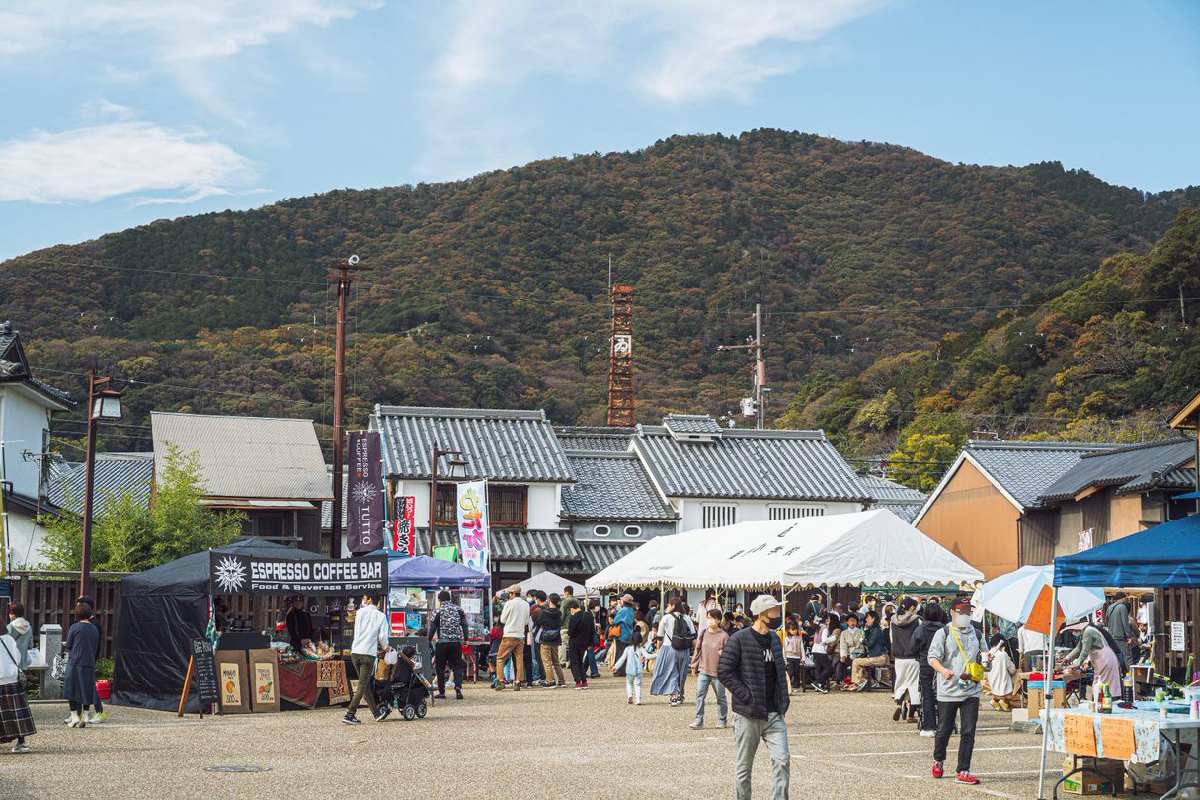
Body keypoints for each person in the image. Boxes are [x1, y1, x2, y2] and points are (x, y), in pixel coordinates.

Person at [718, 595, 790, 800]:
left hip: (775, 711)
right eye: (775, 611)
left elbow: (779, 671)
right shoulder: (739, 639)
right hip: (748, 713)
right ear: (762, 614)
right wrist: (745, 695)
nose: (778, 614)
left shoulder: (775, 638)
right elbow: (724, 671)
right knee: (744, 768)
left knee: (782, 760)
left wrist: (783, 699)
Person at [927, 598, 983, 785]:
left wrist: (988, 662)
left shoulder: (977, 633)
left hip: (971, 689)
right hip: (948, 690)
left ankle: (964, 769)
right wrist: (943, 670)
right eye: (962, 611)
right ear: (952, 612)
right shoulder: (943, 633)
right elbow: (932, 657)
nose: (965, 615)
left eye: (968, 611)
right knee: (944, 729)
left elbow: (984, 659)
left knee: (969, 730)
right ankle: (938, 760)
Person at [344, 593, 390, 725]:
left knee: (365, 685)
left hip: (355, 652)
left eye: (364, 598)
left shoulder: (359, 612)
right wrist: (386, 648)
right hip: (368, 654)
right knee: (362, 685)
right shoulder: (381, 616)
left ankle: (376, 713)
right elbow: (382, 637)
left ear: (369, 600)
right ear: (378, 603)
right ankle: (350, 714)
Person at [651, 595, 695, 706]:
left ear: (673, 606)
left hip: (669, 647)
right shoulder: (687, 618)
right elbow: (693, 634)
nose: (667, 606)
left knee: (672, 672)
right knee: (682, 673)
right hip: (684, 649)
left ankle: (674, 695)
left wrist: (658, 650)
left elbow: (660, 636)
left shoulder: (666, 618)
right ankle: (680, 694)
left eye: (669, 604)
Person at [690, 608, 729, 729]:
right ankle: (699, 720)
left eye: (712, 618)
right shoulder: (703, 633)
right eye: (708, 618)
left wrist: (724, 654)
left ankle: (722, 719)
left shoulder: (724, 636)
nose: (709, 620)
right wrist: (693, 666)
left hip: (719, 673)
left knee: (721, 697)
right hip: (704, 670)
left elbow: (730, 654)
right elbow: (697, 650)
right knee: (700, 695)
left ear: (718, 620)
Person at [64, 601, 100, 728]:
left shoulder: (75, 627)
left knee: (71, 689)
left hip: (75, 662)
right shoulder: (94, 628)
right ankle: (85, 715)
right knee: (87, 689)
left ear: (77, 615)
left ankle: (74, 716)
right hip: (89, 662)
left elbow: (69, 645)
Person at [1063, 615, 1123, 691]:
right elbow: (1078, 648)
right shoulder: (1084, 632)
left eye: (1072, 630)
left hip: (1104, 659)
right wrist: (1067, 658)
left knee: (1106, 687)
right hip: (1101, 660)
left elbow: (1085, 651)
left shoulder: (1088, 631)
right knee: (1099, 686)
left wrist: (1077, 664)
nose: (1072, 632)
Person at [913, 601, 946, 737]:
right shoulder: (945, 629)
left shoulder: (920, 629)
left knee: (927, 696)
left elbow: (913, 647)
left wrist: (919, 656)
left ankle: (929, 727)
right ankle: (945, 724)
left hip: (926, 664)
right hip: (942, 665)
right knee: (943, 695)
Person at [0, 624, 34, 753]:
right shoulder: (8, 639)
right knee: (15, 712)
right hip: (12, 679)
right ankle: (22, 742)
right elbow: (17, 657)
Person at [429, 590, 468, 700]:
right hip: (456, 643)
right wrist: (466, 639)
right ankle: (458, 688)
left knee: (440, 667)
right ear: (450, 598)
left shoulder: (438, 611)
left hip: (442, 643)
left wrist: (428, 639)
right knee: (457, 666)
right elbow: (465, 625)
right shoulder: (459, 610)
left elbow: (433, 627)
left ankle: (442, 692)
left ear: (439, 599)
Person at [75, 595, 108, 723]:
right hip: (81, 659)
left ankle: (100, 712)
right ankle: (76, 714)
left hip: (88, 660)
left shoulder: (94, 625)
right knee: (78, 686)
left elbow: (95, 645)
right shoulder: (83, 623)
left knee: (89, 687)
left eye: (79, 605)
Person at [890, 597, 922, 721]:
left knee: (901, 682)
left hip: (899, 657)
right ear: (913, 608)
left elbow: (892, 639)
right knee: (914, 685)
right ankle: (910, 715)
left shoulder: (893, 620)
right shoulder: (917, 620)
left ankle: (899, 703)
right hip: (913, 657)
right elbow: (920, 638)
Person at [494, 585, 530, 691]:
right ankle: (518, 682)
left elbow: (503, 619)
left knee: (500, 658)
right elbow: (527, 621)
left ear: (513, 593)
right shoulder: (526, 604)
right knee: (519, 659)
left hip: (509, 634)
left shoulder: (509, 603)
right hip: (520, 635)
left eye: (510, 593)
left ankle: (500, 681)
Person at [849, 609, 889, 691]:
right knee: (859, 662)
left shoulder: (876, 630)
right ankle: (868, 681)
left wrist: (862, 640)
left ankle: (858, 683)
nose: (866, 619)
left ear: (873, 619)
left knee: (856, 662)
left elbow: (870, 644)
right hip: (878, 656)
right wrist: (866, 630)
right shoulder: (874, 630)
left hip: (880, 657)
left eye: (868, 617)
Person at [536, 593, 566, 688]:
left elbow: (538, 622)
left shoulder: (544, 612)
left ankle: (550, 681)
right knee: (556, 661)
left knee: (547, 661)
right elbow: (560, 623)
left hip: (545, 639)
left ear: (550, 600)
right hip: (555, 639)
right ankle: (561, 681)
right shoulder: (559, 612)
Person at [983, 635, 1020, 711]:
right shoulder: (1003, 654)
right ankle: (1004, 701)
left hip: (992, 685)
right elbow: (1012, 670)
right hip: (1003, 685)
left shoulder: (988, 654)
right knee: (1016, 676)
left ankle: (995, 700)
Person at [614, 631, 649, 704]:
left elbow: (622, 659)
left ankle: (630, 696)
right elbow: (648, 656)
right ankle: (638, 700)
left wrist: (616, 666)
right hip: (638, 670)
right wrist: (657, 654)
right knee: (638, 685)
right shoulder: (641, 649)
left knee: (629, 683)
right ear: (640, 640)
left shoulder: (628, 649)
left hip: (629, 670)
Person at [567, 600, 595, 689]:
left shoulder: (573, 617)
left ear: (572, 608)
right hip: (585, 643)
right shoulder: (589, 615)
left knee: (574, 662)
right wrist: (590, 643)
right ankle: (584, 681)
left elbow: (570, 632)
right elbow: (592, 631)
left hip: (574, 642)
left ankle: (578, 681)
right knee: (580, 662)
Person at [809, 611, 839, 693]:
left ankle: (819, 686)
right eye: (828, 619)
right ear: (825, 620)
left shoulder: (819, 626)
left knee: (819, 668)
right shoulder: (824, 628)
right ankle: (818, 683)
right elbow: (824, 640)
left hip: (815, 649)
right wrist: (833, 638)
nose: (829, 620)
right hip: (820, 650)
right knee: (829, 668)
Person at [611, 594, 637, 677]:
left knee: (620, 653)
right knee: (627, 654)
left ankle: (618, 671)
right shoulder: (632, 610)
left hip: (622, 634)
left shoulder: (623, 610)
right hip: (630, 634)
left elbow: (615, 621)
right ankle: (625, 670)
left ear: (624, 602)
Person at [1105, 594, 1134, 667]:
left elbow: (1106, 622)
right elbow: (1125, 623)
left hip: (1111, 637)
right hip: (1120, 637)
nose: (1126, 600)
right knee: (1128, 657)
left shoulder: (1109, 607)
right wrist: (1129, 637)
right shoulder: (1122, 607)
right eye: (1125, 598)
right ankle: (1131, 675)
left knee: (1115, 657)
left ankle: (1117, 676)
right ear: (1122, 598)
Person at [837, 612, 864, 688]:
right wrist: (843, 655)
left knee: (855, 662)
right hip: (848, 653)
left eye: (854, 621)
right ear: (847, 622)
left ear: (857, 622)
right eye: (850, 621)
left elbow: (862, 644)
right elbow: (843, 645)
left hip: (858, 653)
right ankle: (843, 681)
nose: (852, 623)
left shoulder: (860, 632)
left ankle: (855, 682)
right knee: (841, 663)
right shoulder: (844, 633)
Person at [5, 603, 31, 673]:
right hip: (23, 662)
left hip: (12, 661)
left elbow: (5, 644)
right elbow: (30, 645)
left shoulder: (10, 627)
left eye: (10, 613)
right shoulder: (29, 627)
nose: (9, 615)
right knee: (21, 682)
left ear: (13, 614)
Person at [783, 620, 805, 695]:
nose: (794, 631)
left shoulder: (799, 638)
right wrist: (785, 659)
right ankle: (787, 686)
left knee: (797, 672)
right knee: (790, 672)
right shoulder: (787, 638)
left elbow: (802, 648)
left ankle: (796, 686)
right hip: (789, 656)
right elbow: (784, 649)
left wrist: (803, 658)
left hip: (797, 657)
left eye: (795, 629)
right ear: (789, 630)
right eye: (793, 629)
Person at [586, 598, 604, 678]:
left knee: (589, 655)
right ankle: (594, 672)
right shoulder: (589, 614)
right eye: (597, 605)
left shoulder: (592, 614)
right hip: (589, 637)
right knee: (591, 654)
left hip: (590, 636)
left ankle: (583, 670)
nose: (598, 607)